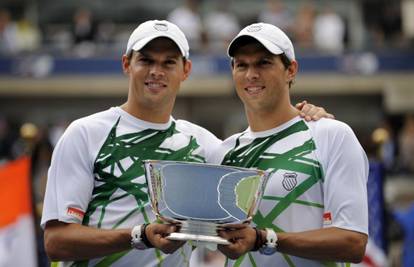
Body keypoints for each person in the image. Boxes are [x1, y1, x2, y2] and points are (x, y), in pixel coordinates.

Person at [41, 20, 332, 267]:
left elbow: (266, 143)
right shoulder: (85, 134)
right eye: (146, 60)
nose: (157, 71)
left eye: (169, 62)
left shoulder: (206, 145)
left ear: (186, 69)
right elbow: (57, 242)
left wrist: (306, 117)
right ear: (126, 64)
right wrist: (138, 236)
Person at [212, 23, 369, 267]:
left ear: (291, 70)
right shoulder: (223, 152)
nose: (251, 74)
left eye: (264, 63)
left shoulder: (331, 135)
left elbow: (353, 242)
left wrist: (265, 239)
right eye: (242, 65)